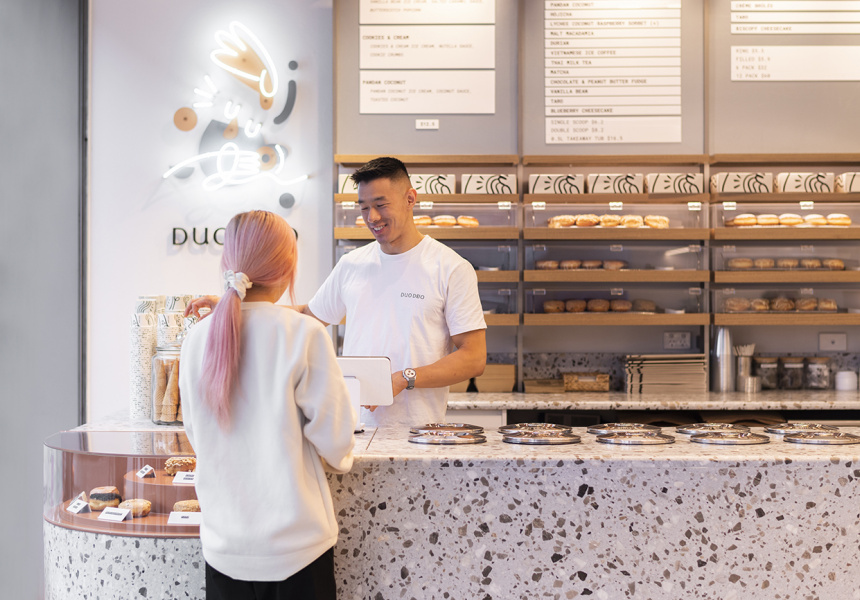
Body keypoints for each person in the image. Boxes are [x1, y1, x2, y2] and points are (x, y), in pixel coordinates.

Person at [187, 157, 487, 427]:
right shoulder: (352, 264)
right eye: (364, 207)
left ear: (410, 198)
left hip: (420, 431)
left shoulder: (450, 267)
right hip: (353, 426)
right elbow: (309, 315)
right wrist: (237, 302)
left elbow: (473, 357)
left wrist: (403, 378)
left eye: (381, 205)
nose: (372, 217)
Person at [179, 210, 356, 600]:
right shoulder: (303, 334)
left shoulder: (196, 339)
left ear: (228, 263)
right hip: (296, 551)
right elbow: (336, 438)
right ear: (288, 267)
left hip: (224, 547)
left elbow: (195, 432)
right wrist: (338, 459)